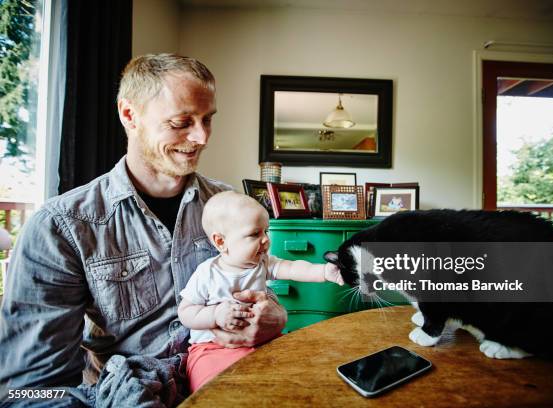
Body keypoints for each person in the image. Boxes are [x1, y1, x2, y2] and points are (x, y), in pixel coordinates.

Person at [0, 54, 287, 406]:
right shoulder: (60, 227)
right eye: (181, 122)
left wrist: (276, 313)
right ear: (129, 115)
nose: (201, 137)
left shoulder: (228, 204)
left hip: (235, 383)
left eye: (207, 120)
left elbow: (256, 283)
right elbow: (28, 392)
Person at [177, 191, 344, 391]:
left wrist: (325, 271)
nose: (266, 240)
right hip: (213, 348)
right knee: (216, 387)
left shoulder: (262, 263)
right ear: (221, 241)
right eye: (255, 234)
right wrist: (214, 314)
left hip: (263, 340)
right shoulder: (207, 273)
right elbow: (185, 312)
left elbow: (293, 268)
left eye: (266, 231)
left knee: (300, 369)